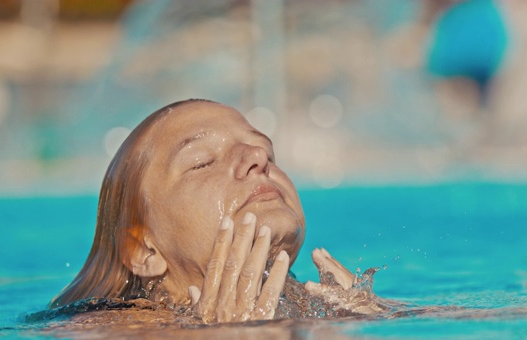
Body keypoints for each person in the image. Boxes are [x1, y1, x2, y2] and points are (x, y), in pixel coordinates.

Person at [48, 99, 388, 324]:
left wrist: (374, 320)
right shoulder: (110, 331)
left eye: (267, 151)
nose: (257, 155)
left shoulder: (314, 305)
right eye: (202, 162)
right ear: (143, 250)